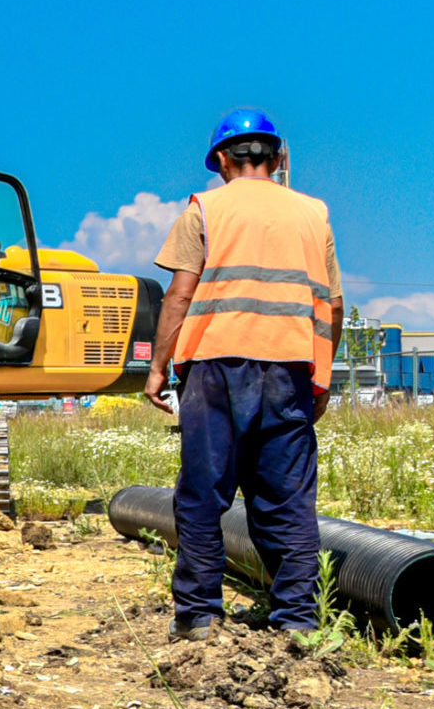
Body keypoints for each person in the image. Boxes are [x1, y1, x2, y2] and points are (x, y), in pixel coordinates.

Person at [143, 109, 343, 641]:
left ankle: (199, 617)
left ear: (223, 161)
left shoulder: (204, 209)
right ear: (278, 159)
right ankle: (298, 621)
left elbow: (180, 295)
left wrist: (158, 368)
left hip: (215, 366)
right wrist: (320, 377)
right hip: (292, 368)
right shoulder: (314, 214)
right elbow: (334, 305)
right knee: (288, 500)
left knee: (204, 494)